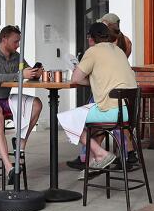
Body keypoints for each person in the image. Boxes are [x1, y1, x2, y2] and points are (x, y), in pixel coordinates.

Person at [58, 22, 138, 172]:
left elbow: (75, 78)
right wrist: (96, 80)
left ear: (90, 38)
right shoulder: (119, 51)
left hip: (111, 112)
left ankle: (101, 154)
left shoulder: (93, 52)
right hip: (129, 112)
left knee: (67, 119)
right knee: (85, 121)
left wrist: (89, 79)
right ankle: (90, 166)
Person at [0, 25, 43, 186]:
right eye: (15, 41)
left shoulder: (16, 57)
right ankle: (9, 167)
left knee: (37, 104)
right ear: (4, 39)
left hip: (5, 99)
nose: (18, 44)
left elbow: (27, 72)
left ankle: (20, 143)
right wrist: (20, 75)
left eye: (19, 41)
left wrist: (35, 73)